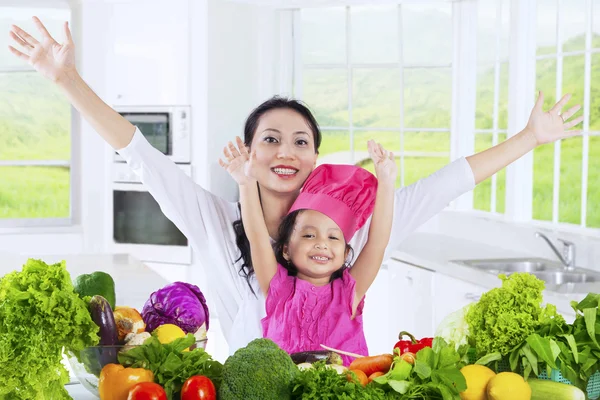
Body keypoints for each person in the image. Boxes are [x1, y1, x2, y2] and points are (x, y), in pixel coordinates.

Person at [7, 18, 584, 353]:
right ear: (249, 153)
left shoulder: (350, 231)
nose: (286, 151)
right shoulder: (213, 221)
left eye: (301, 141)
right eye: (271, 139)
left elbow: (445, 185)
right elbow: (138, 153)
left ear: (316, 159)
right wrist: (67, 80)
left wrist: (530, 137)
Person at [220, 138, 396, 364]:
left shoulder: (348, 293)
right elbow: (257, 237)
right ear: (285, 250)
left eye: (333, 237)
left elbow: (377, 243)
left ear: (345, 254)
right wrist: (246, 183)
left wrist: (387, 183)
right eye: (308, 235)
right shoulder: (279, 289)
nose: (321, 243)